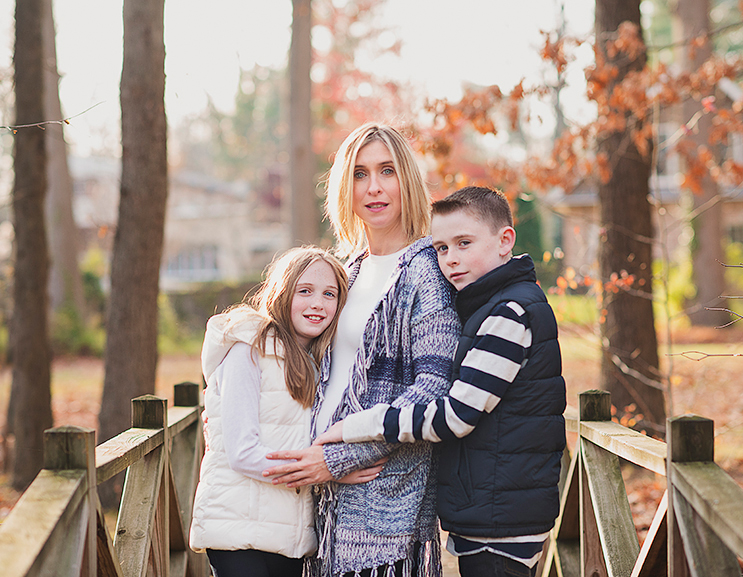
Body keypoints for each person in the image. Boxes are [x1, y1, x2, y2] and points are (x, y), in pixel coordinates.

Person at [314, 186, 567, 577]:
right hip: (491, 510)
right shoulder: (491, 306)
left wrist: (356, 426)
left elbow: (455, 416)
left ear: (505, 241)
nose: (451, 260)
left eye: (464, 243)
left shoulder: (509, 313)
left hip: (502, 518)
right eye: (442, 248)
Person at [262, 123, 461, 577]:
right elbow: (301, 360)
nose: (373, 187)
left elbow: (432, 392)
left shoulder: (426, 274)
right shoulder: (346, 270)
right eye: (359, 173)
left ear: (406, 180)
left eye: (386, 171)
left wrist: (337, 459)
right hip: (321, 499)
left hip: (383, 504)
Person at [189, 246, 382, 577]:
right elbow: (242, 454)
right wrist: (327, 469)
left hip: (288, 534)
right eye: (304, 291)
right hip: (238, 531)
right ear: (281, 292)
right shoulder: (248, 351)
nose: (317, 303)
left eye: (329, 294)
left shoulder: (320, 365)